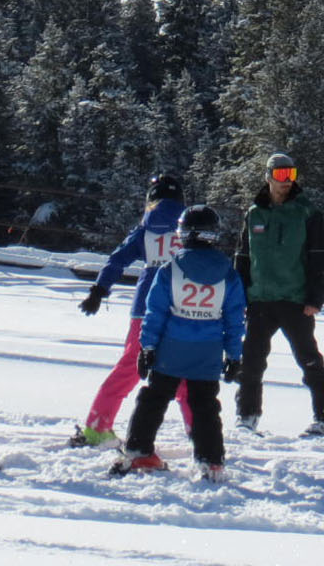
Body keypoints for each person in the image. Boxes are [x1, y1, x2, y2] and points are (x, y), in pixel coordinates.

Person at [112, 205, 247, 481]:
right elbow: (235, 320)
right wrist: (234, 356)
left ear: (183, 233)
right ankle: (211, 461)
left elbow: (155, 313)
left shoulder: (170, 270)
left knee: (154, 400)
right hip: (207, 353)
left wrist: (147, 348)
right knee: (205, 407)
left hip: (171, 350)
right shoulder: (229, 274)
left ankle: (138, 450)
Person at [68, 173, 194, 448]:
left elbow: (117, 260)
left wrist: (99, 291)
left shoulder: (145, 230)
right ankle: (198, 433)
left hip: (145, 308)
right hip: (183, 307)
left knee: (129, 367)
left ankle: (97, 427)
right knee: (186, 372)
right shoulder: (190, 228)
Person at [234, 153, 324, 437]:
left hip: (295, 299)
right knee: (251, 362)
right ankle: (246, 416)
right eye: (282, 176)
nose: (287, 182)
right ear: (268, 177)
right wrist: (240, 295)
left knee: (309, 359)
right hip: (260, 299)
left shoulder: (307, 212)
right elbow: (243, 257)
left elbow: (320, 257)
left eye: (292, 175)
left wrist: (314, 298)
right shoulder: (254, 213)